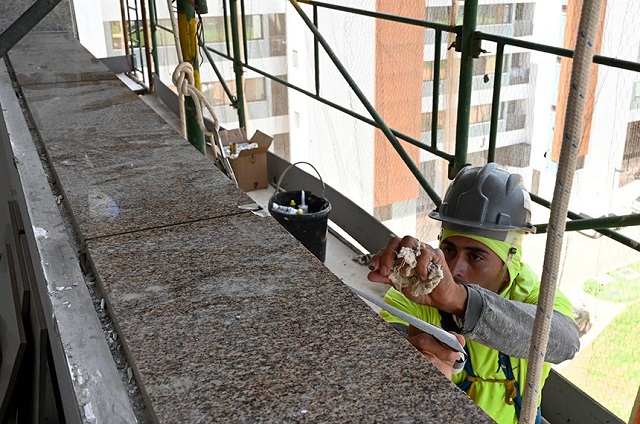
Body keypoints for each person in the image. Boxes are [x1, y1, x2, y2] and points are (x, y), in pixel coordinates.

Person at [367, 163, 580, 424]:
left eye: (476, 256)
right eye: (450, 249)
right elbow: (386, 338)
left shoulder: (533, 294)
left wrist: (460, 300)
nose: (455, 270)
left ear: (510, 259)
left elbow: (565, 342)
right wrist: (406, 360)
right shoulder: (419, 289)